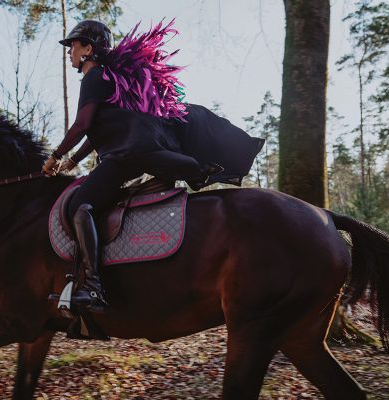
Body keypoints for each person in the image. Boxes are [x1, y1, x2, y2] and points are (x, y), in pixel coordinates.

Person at [43, 20, 264, 313]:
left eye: (73, 44)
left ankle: (94, 287)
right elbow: (101, 129)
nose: (69, 51)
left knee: (80, 206)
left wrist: (56, 155)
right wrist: (73, 160)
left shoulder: (93, 77)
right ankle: (187, 169)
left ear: (88, 49)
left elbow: (83, 124)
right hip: (134, 149)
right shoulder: (108, 78)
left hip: (124, 155)